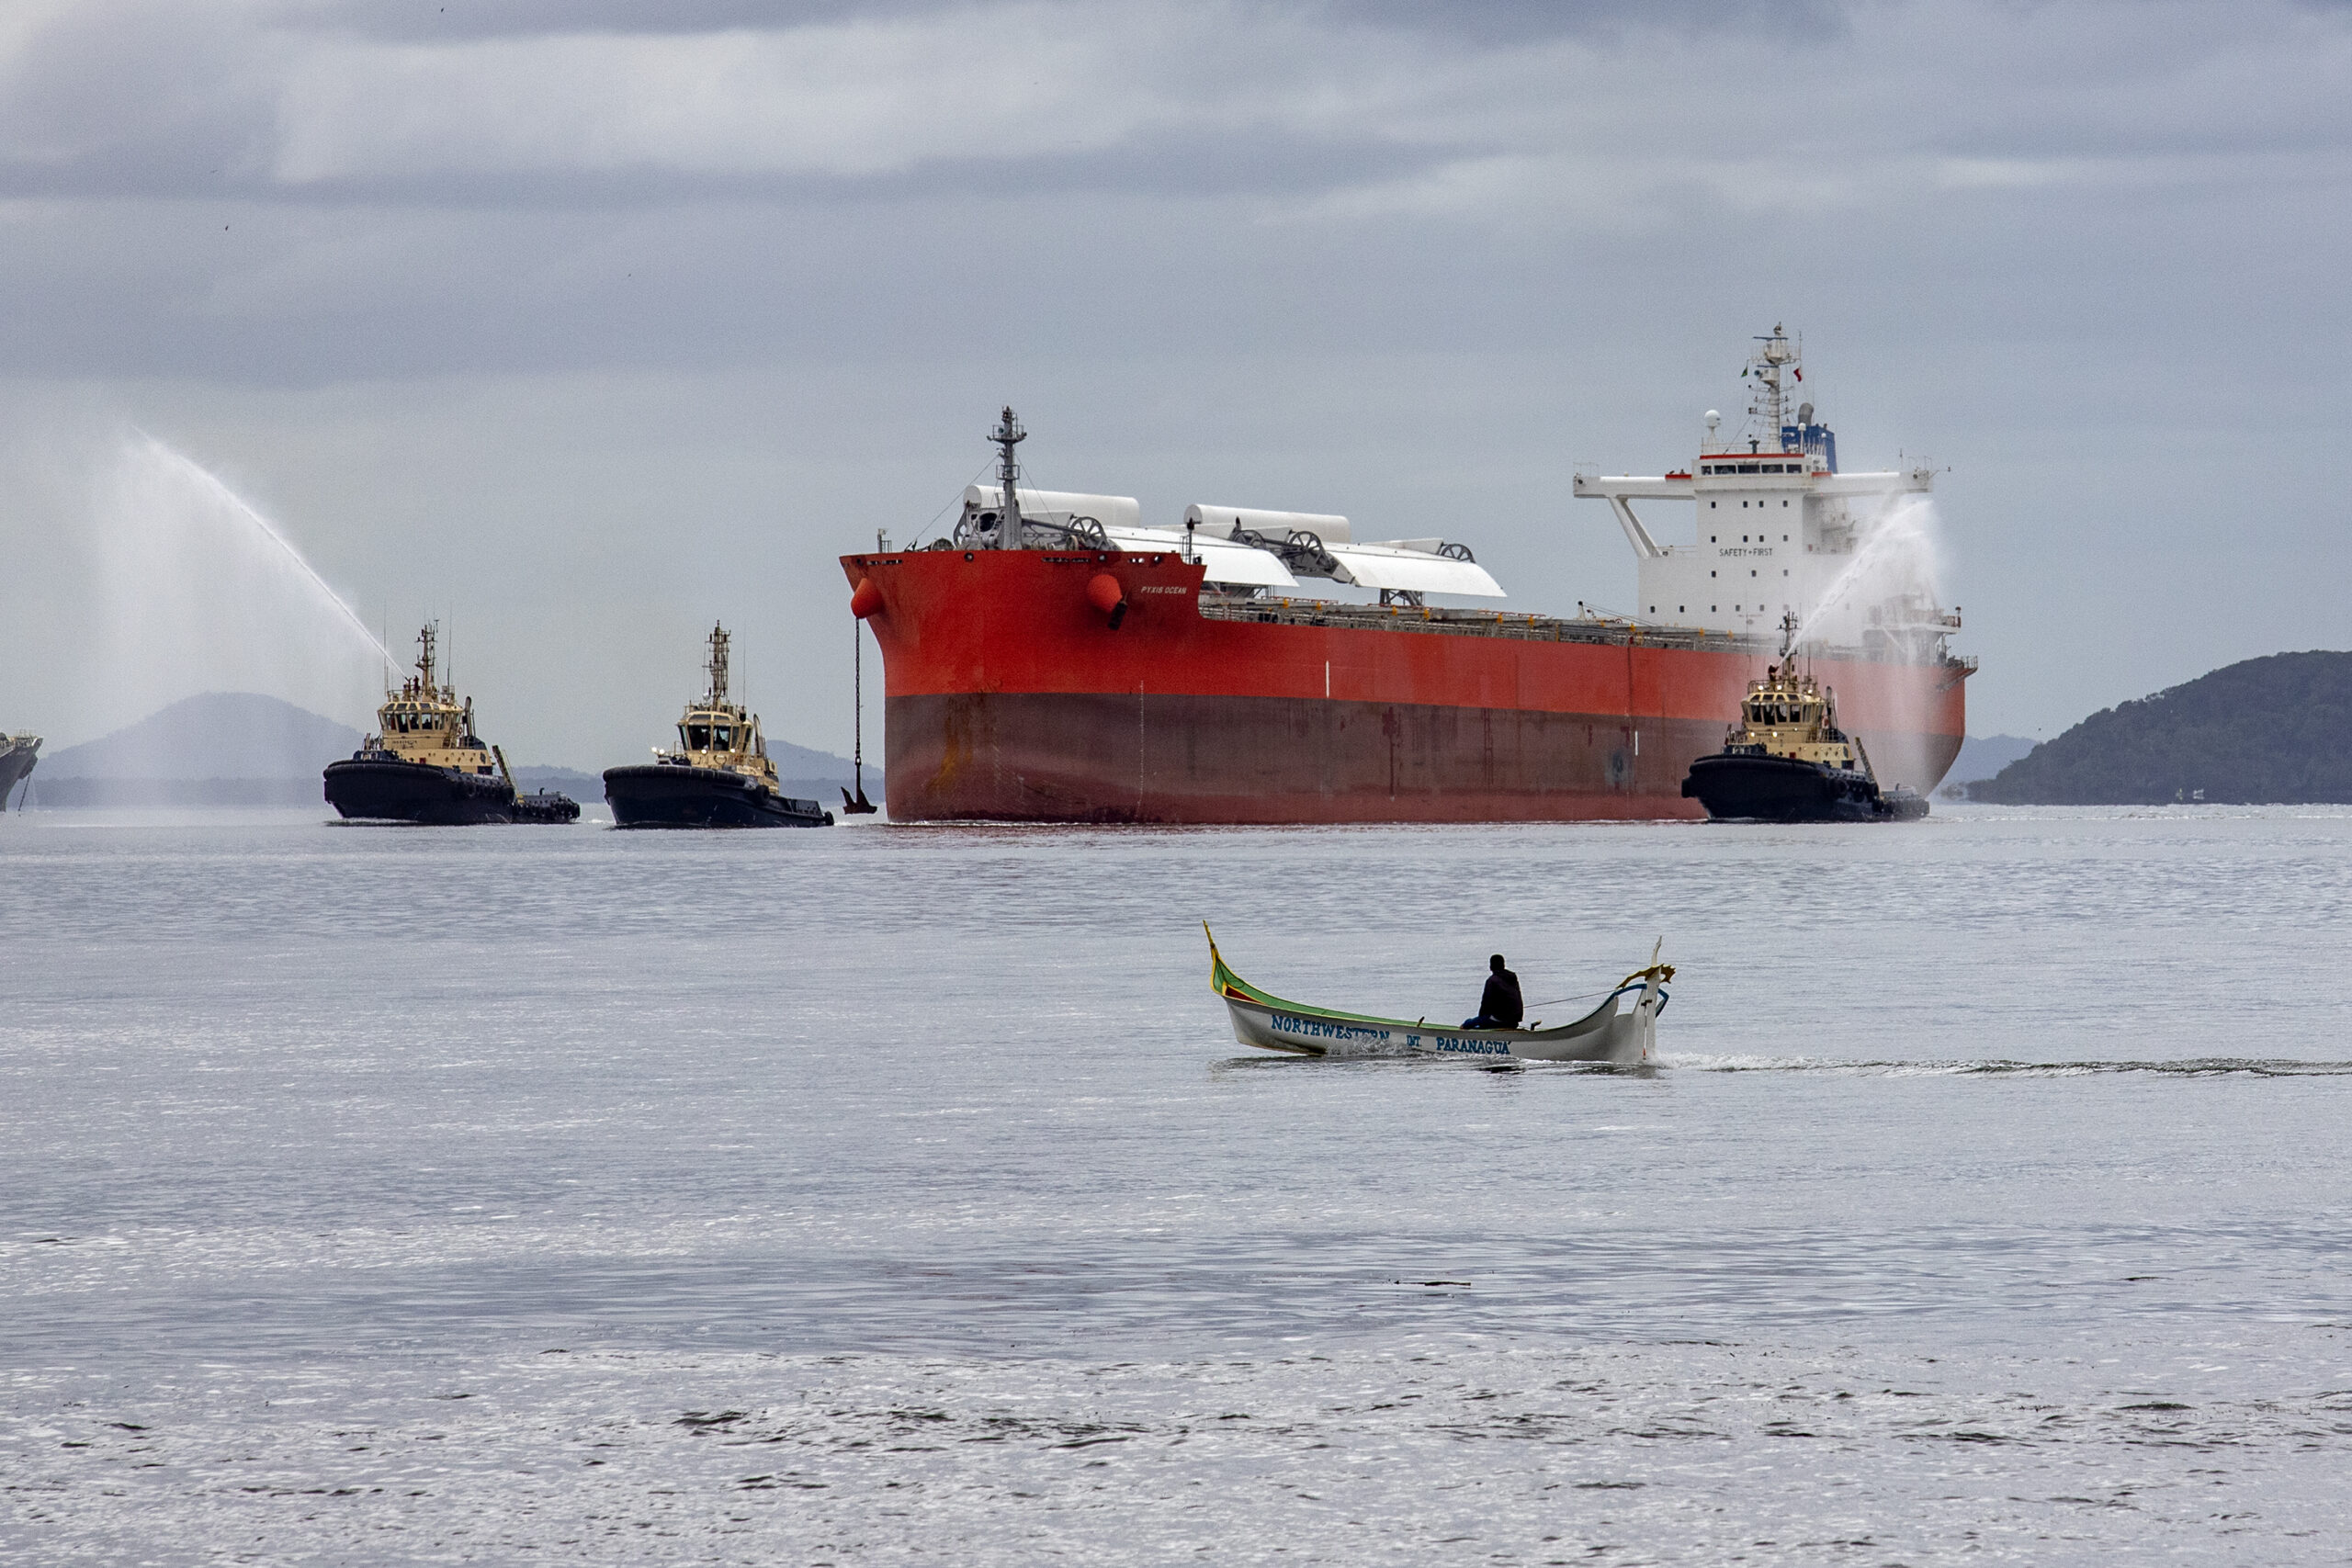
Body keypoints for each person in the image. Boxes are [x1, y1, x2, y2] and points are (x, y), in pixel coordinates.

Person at [1463, 953, 1523, 1031]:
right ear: (1503, 965)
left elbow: (1485, 1004)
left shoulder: (1492, 981)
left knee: (1468, 1023)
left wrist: (1481, 1019)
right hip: (1514, 1021)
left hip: (1500, 1020)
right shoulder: (1513, 978)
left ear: (1491, 967)